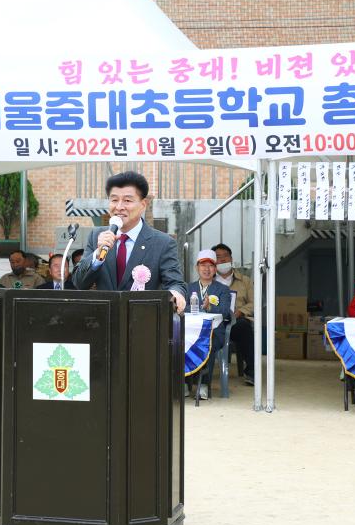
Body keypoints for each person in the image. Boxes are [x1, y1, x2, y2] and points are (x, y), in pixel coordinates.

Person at [71, 171, 187, 312]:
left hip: (142, 323)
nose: (119, 207)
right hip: (102, 322)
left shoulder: (163, 243)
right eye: (114, 200)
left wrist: (176, 295)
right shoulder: (97, 235)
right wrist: (97, 255)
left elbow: (175, 283)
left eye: (127, 200)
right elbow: (79, 283)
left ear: (143, 204)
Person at [186, 249, 232, 400]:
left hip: (215, 332)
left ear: (215, 269)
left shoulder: (223, 290)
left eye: (210, 266)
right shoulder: (187, 288)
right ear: (196, 268)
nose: (206, 269)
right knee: (180, 341)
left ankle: (204, 385)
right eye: (203, 265)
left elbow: (225, 312)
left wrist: (210, 307)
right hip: (189, 331)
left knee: (208, 341)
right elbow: (181, 308)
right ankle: (185, 383)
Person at [211, 243, 255, 385]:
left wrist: (240, 312)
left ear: (231, 258)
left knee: (244, 327)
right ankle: (199, 373)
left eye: (225, 256)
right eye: (218, 257)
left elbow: (254, 303)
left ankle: (252, 372)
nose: (222, 260)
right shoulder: (208, 281)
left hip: (237, 322)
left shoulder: (245, 281)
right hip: (216, 322)